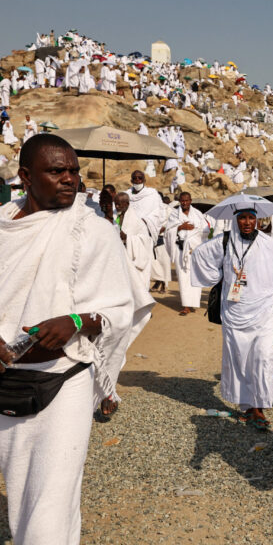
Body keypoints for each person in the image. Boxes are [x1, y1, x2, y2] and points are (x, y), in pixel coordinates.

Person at [0, 134, 150, 544]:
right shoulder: (2, 226)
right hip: (6, 382)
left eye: (74, 171)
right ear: (26, 176)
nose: (69, 179)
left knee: (51, 502)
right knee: (21, 495)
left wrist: (79, 321)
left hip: (63, 380)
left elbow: (122, 308)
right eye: (57, 171)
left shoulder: (92, 231)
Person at [192, 207, 273, 430]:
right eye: (242, 218)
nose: (247, 222)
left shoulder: (269, 244)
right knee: (240, 359)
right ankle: (248, 406)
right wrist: (217, 276)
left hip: (266, 310)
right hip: (235, 311)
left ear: (257, 220)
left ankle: (260, 406)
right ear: (236, 220)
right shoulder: (225, 241)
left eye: (251, 218)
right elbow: (200, 255)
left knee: (263, 356)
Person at [165, 192, 206, 316]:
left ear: (190, 200)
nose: (184, 203)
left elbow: (205, 230)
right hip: (180, 250)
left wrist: (194, 235)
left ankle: (194, 302)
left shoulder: (198, 214)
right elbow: (168, 231)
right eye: (182, 201)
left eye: (187, 200)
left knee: (195, 277)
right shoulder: (174, 215)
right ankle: (186, 306)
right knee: (183, 278)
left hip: (194, 250)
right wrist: (180, 227)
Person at [114, 192, 153, 291]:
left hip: (132, 256)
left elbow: (146, 240)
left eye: (119, 204)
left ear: (126, 204)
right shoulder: (115, 216)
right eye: (115, 204)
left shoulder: (137, 220)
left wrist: (127, 238)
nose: (117, 206)